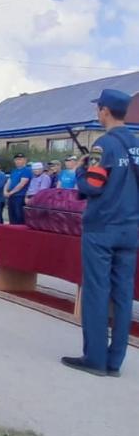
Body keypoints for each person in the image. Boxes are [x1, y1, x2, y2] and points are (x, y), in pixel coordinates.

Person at [63, 89, 139, 377]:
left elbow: (93, 186)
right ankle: (115, 361)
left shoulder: (103, 145)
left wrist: (81, 172)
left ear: (105, 111)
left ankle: (95, 357)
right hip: (130, 228)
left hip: (102, 227)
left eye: (99, 109)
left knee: (96, 291)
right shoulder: (136, 144)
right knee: (123, 294)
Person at [3, 153, 32, 224]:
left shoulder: (27, 170)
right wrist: (5, 191)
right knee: (12, 217)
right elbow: (8, 181)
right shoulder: (14, 171)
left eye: (20, 159)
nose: (18, 161)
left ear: (25, 160)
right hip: (11, 196)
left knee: (19, 217)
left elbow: (22, 184)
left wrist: (10, 193)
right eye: (16, 160)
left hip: (20, 196)